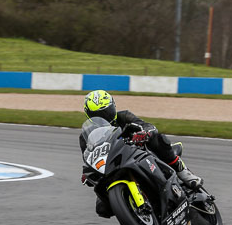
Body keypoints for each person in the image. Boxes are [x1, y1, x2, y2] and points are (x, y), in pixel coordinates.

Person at [80, 89, 203, 218]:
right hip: (112, 165)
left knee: (158, 138)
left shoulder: (124, 116)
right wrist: (88, 174)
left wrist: (145, 133)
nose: (104, 116)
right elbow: (89, 157)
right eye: (98, 114)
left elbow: (148, 126)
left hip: (138, 153)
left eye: (107, 111)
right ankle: (131, 209)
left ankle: (183, 172)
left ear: (113, 107)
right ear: (89, 115)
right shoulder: (85, 137)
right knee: (102, 208)